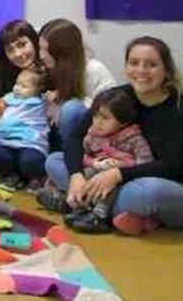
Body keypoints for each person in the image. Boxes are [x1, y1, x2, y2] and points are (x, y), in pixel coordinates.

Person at [42, 37, 183, 237]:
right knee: (54, 161)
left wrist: (117, 175)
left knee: (142, 194)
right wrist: (76, 176)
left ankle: (77, 203)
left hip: (175, 188)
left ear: (166, 70)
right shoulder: (119, 97)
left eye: (151, 65)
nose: (141, 71)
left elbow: (172, 166)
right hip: (115, 177)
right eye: (134, 63)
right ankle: (100, 206)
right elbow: (76, 136)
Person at [64, 87, 154, 234]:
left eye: (105, 118)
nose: (98, 122)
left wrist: (121, 166)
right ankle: (80, 205)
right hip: (96, 171)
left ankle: (100, 215)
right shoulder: (93, 135)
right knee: (61, 163)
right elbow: (83, 155)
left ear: (123, 122)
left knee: (112, 186)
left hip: (121, 179)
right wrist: (93, 163)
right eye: (96, 116)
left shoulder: (133, 138)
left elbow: (146, 161)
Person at [38, 19, 119, 142]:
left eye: (46, 50)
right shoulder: (52, 69)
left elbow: (110, 109)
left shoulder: (93, 69)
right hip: (66, 139)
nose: (41, 55)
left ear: (62, 51)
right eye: (40, 48)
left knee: (71, 109)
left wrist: (63, 106)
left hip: (98, 139)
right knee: (52, 161)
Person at [0, 65, 51, 190]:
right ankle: (11, 176)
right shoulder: (8, 99)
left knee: (30, 160)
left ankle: (34, 178)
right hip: (7, 142)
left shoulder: (40, 103)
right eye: (17, 84)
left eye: (24, 86)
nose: (18, 88)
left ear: (37, 90)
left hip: (30, 143)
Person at [0, 20, 40, 100]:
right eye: (10, 50)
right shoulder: (3, 75)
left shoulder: (50, 72)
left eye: (22, 45)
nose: (17, 54)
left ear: (34, 41)